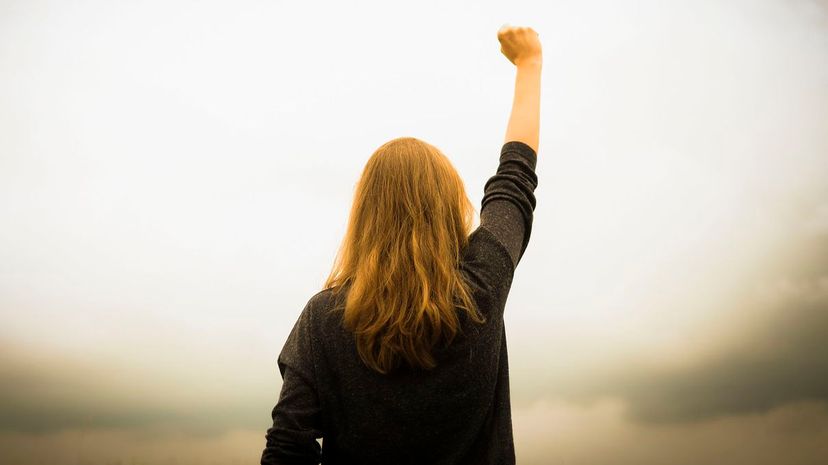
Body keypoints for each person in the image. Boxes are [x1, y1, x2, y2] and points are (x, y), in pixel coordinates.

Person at [260, 24, 542, 465]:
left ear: (366, 218)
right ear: (449, 210)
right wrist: (530, 64)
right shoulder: (482, 287)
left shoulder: (323, 319)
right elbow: (514, 179)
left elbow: (287, 448)